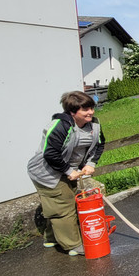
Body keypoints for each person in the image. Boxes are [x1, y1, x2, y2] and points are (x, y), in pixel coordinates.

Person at [27, 91, 105, 256]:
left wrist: (91, 163)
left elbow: (100, 144)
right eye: (85, 110)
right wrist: (69, 171)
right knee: (63, 207)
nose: (90, 112)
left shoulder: (95, 125)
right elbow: (50, 154)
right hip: (46, 172)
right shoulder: (60, 126)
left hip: (68, 170)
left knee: (58, 204)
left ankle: (51, 238)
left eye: (91, 108)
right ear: (72, 112)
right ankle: (72, 244)